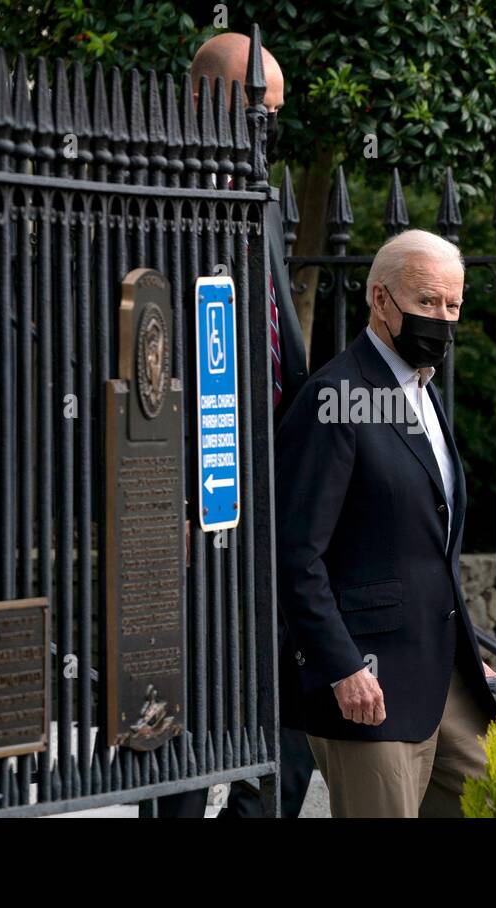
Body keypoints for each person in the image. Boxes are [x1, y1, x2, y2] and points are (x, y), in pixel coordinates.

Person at [274, 229, 496, 818]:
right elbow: (295, 553)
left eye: (453, 306)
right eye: (427, 302)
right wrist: (343, 665)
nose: (442, 319)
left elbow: (427, 549)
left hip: (442, 675)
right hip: (366, 687)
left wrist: (465, 651)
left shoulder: (423, 393)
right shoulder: (335, 398)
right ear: (380, 300)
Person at [156, 31, 312, 819]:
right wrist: (166, 495)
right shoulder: (157, 190)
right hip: (193, 486)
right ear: (203, 102)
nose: (265, 129)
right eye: (255, 109)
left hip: (274, 475)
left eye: (273, 115)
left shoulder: (267, 196)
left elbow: (278, 332)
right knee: (187, 680)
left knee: (283, 667)